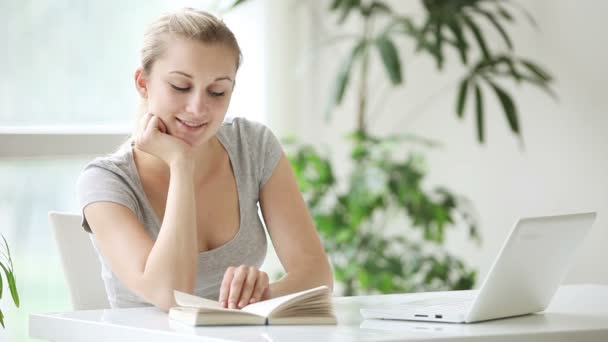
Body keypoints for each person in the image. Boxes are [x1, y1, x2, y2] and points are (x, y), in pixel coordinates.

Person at [77, 8, 333, 311]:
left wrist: (256, 297)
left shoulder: (252, 146)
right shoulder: (105, 181)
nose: (198, 108)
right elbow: (169, 294)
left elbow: (317, 277)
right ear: (143, 83)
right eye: (180, 87)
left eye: (217, 91)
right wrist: (181, 165)